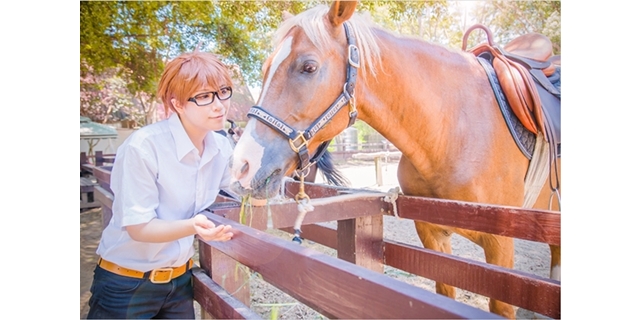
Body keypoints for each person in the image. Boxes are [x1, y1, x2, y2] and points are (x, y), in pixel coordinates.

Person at [87, 50, 236, 319]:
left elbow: (237, 189)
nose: (219, 105)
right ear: (177, 104)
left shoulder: (222, 147)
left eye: (223, 91)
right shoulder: (143, 146)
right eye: (204, 96)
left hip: (180, 282)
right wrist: (194, 227)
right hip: (126, 283)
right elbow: (139, 227)